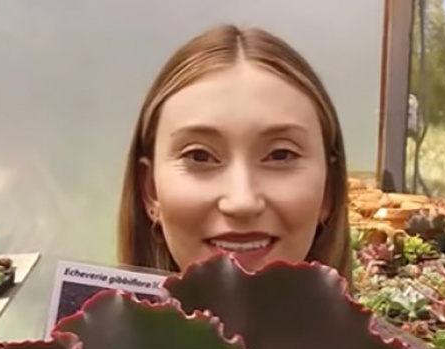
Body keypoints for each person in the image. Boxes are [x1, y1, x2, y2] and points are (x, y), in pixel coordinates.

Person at [117, 24, 352, 286]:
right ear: (150, 189)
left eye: (281, 155)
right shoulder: (74, 328)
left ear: (328, 190)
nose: (242, 202)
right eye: (199, 156)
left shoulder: (376, 330)